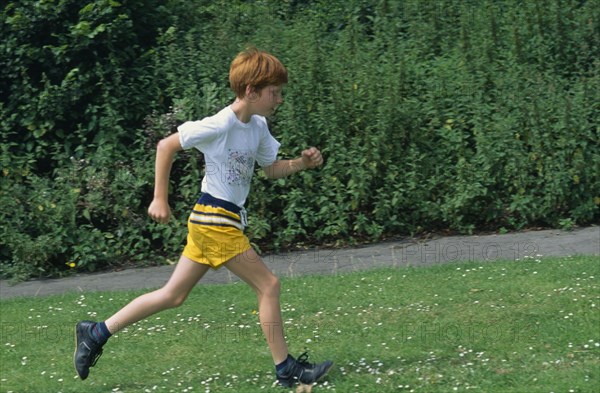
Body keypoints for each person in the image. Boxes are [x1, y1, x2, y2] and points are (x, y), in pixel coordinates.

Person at [73, 47, 332, 388]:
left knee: (173, 296)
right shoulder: (220, 123)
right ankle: (286, 369)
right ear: (251, 91)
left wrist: (301, 163)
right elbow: (166, 146)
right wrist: (159, 198)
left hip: (215, 221)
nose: (279, 99)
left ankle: (95, 333)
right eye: (275, 92)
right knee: (269, 285)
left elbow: (270, 169)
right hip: (215, 219)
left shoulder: (258, 127)